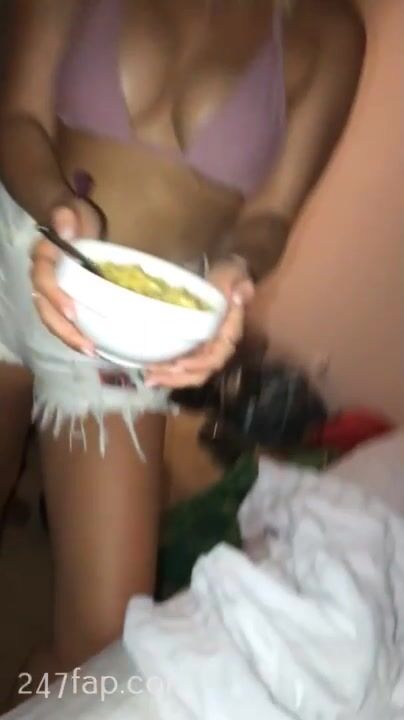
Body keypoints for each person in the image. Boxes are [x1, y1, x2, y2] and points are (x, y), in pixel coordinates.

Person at [0, 0, 363, 688]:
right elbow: (18, 117)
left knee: (99, 649)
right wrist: (58, 211)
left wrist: (236, 273)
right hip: (14, 247)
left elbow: (271, 216)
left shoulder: (328, 29)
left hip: (127, 334)